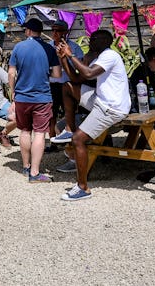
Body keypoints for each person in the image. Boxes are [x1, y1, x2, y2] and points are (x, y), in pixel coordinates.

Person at [55, 30, 131, 201]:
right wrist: (63, 58)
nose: (90, 40)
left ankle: (83, 188)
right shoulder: (97, 57)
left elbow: (88, 74)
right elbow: (76, 79)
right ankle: (69, 128)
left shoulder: (110, 55)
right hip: (100, 100)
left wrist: (71, 54)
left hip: (111, 107)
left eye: (94, 38)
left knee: (78, 140)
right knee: (67, 87)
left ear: (105, 41)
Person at [8, 18, 61, 183]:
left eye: (25, 30)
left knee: (24, 131)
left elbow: (11, 73)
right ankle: (35, 173)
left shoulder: (18, 47)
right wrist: (46, 74)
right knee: (39, 133)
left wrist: (13, 93)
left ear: (29, 31)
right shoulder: (49, 49)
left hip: (22, 97)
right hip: (42, 97)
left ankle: (25, 166)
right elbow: (57, 74)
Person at [47, 19, 84, 150]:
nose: (55, 33)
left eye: (59, 30)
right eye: (53, 30)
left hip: (68, 84)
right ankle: (52, 141)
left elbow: (79, 67)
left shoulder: (74, 47)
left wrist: (66, 56)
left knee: (70, 113)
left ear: (66, 32)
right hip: (52, 84)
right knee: (51, 114)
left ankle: (72, 142)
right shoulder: (48, 46)